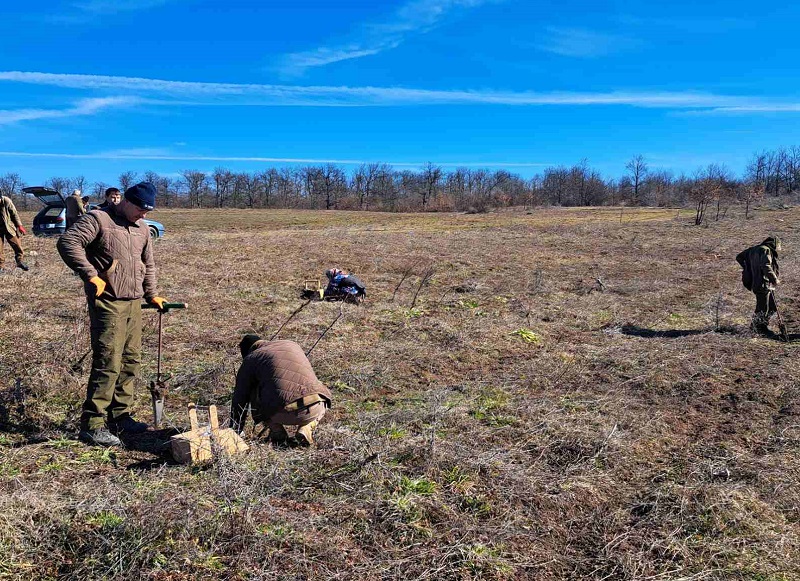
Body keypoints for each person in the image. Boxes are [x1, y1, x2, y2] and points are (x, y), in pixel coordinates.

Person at [57, 182, 168, 446]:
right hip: (108, 302)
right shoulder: (99, 219)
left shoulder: (142, 228)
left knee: (131, 361)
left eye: (147, 211)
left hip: (134, 302)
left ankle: (120, 416)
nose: (143, 215)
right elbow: (68, 242)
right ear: (126, 201)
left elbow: (147, 263)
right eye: (140, 209)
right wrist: (91, 275)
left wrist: (151, 294)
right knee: (108, 362)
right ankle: (93, 424)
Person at [231, 335, 332, 446]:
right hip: (315, 408)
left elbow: (240, 399)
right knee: (319, 390)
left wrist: (235, 431)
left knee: (254, 390)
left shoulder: (251, 359)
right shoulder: (291, 344)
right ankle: (307, 427)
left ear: (247, 352)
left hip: (281, 413)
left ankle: (277, 430)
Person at [736, 236, 781, 335]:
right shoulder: (766, 250)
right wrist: (775, 279)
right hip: (763, 283)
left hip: (758, 282)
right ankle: (759, 328)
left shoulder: (753, 249)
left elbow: (739, 257)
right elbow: (766, 266)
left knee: (772, 306)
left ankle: (760, 325)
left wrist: (748, 267)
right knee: (762, 307)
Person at [0, 195, 29, 271]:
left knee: (17, 245)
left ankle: (20, 261)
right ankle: (1, 267)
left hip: (8, 227)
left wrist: (19, 226)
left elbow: (14, 214)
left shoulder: (6, 201)